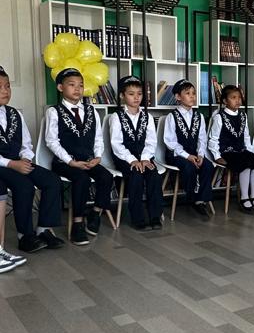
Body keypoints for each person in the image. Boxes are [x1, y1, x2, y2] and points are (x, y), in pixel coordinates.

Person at [46, 67, 114, 246]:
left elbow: (98, 138)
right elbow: (51, 141)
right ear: (60, 87)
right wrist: (70, 161)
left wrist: (98, 157)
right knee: (81, 179)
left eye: (81, 85)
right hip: (64, 162)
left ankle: (95, 213)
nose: (77, 89)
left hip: (89, 160)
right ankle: (78, 223)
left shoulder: (91, 111)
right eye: (72, 85)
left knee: (106, 177)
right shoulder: (54, 112)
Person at [0, 65, 63, 256]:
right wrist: (12, 164)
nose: (5, 91)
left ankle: (44, 229)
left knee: (52, 180)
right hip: (2, 165)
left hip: (18, 161)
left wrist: (25, 159)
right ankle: (24, 235)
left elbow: (26, 143)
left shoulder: (15, 114)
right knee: (24, 186)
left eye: (7, 86)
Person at [109, 76, 164, 230]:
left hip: (145, 157)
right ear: (122, 95)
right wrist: (132, 160)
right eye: (131, 94)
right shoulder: (116, 117)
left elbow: (151, 141)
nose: (136, 97)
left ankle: (155, 216)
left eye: (139, 94)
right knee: (136, 176)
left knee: (153, 175)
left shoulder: (148, 117)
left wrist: (145, 159)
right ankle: (137, 217)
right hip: (124, 158)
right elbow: (116, 143)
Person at [162, 80, 214, 218]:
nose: (192, 96)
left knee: (207, 166)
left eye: (194, 93)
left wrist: (201, 155)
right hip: (176, 154)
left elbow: (202, 138)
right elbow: (170, 142)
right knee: (189, 167)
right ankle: (192, 197)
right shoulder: (172, 117)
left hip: (195, 153)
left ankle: (201, 199)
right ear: (178, 97)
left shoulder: (199, 116)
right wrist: (187, 156)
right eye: (188, 93)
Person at [208, 84, 254, 213]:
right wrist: (217, 156)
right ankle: (244, 198)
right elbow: (213, 139)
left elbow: (246, 136)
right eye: (233, 98)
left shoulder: (243, 116)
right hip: (227, 152)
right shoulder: (219, 117)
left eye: (239, 97)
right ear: (225, 101)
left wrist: (250, 152)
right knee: (245, 165)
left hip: (241, 150)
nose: (238, 100)